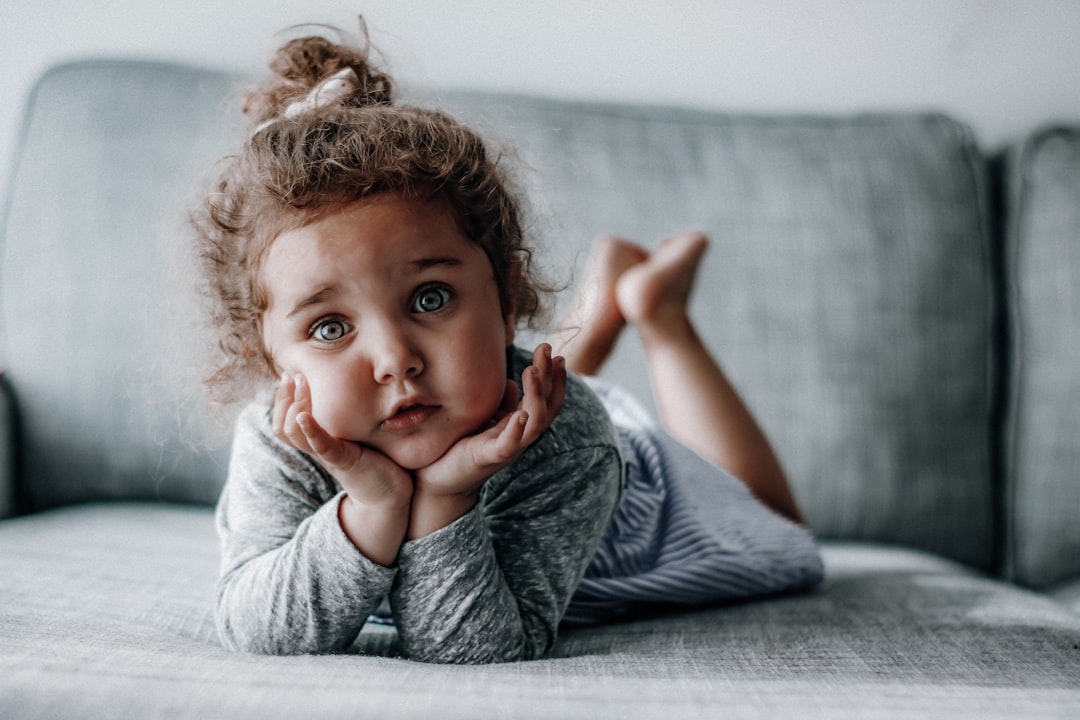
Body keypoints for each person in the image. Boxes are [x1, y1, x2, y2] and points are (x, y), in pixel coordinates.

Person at [193, 29, 822, 664]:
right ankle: (601, 311)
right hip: (513, 404)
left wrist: (444, 497)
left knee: (779, 527)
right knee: (501, 391)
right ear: (268, 360)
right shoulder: (281, 440)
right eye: (330, 328)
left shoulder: (573, 442)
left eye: (431, 298)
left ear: (507, 298)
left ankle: (664, 321)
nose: (394, 360)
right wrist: (373, 505)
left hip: (639, 502)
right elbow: (259, 630)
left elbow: (474, 646)